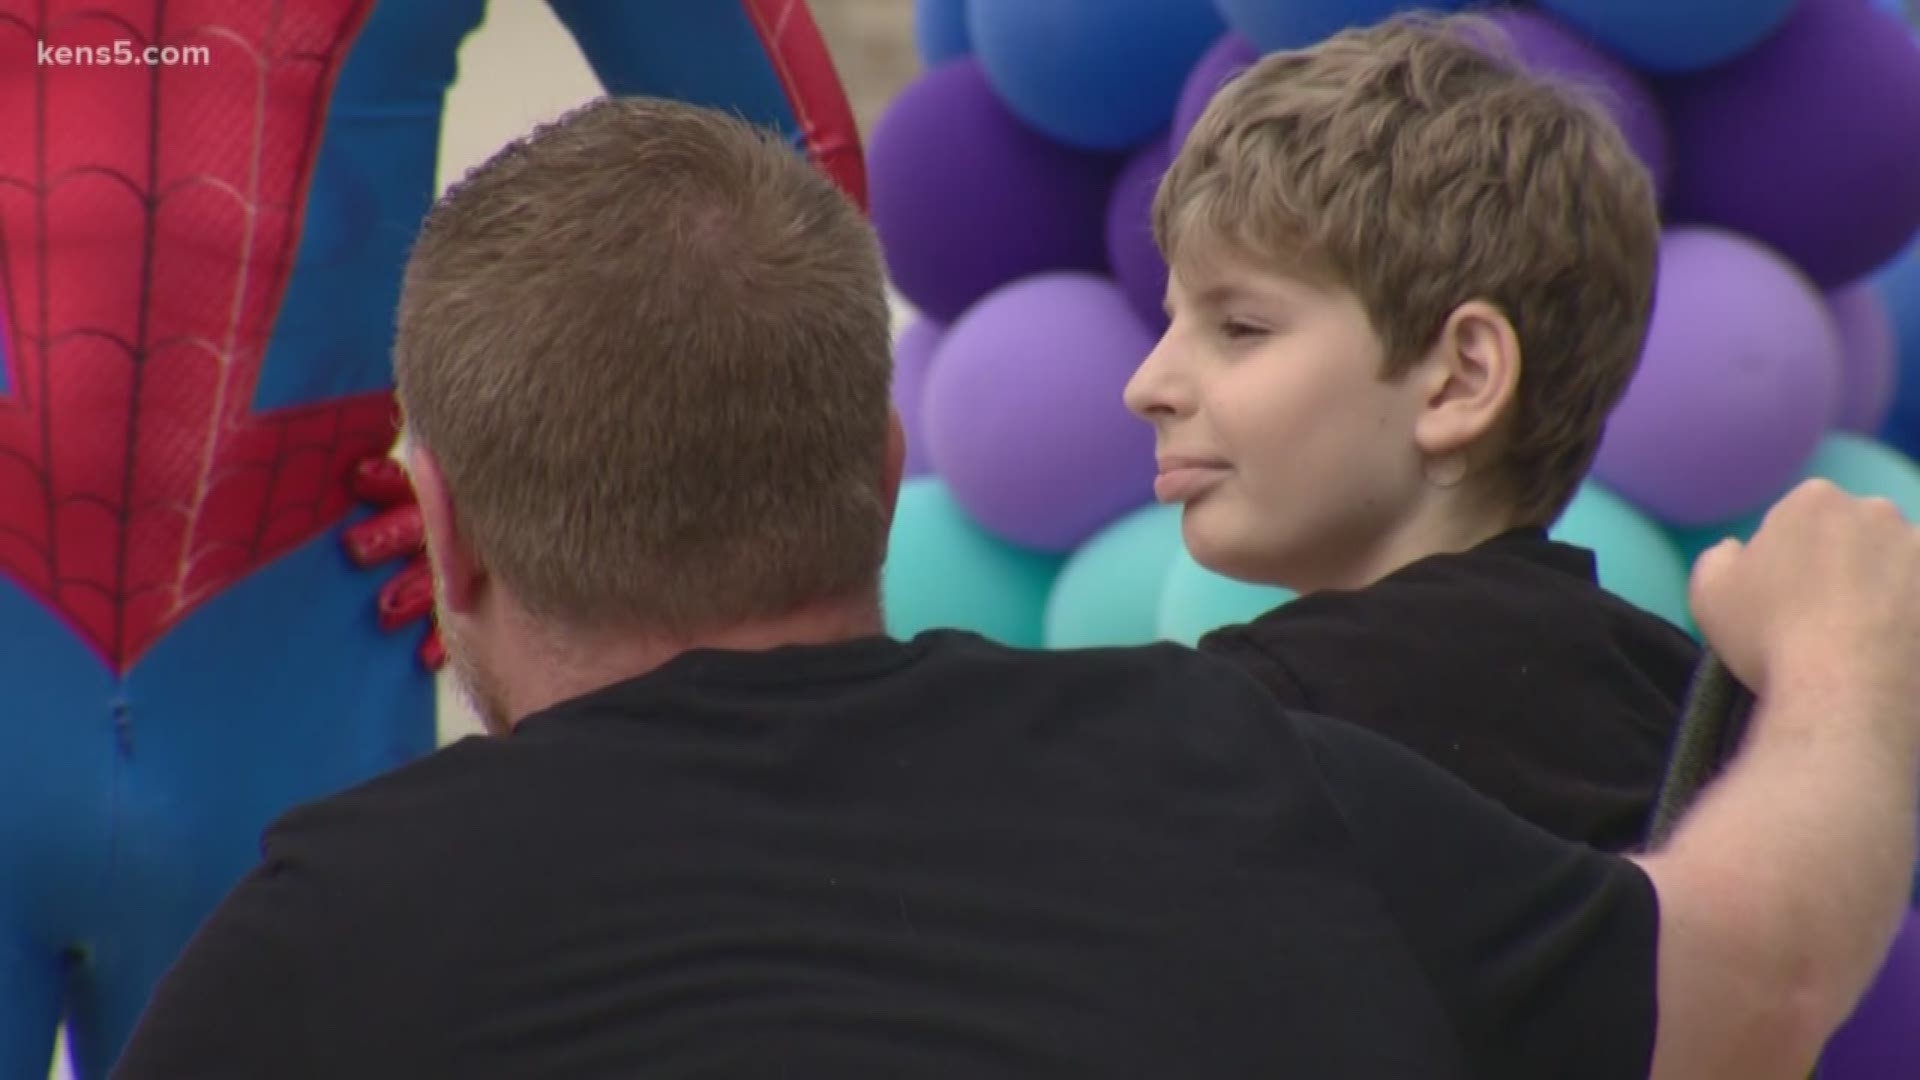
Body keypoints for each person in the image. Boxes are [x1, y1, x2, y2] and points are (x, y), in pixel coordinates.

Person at [115, 95, 1920, 1080]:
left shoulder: (323, 937)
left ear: (453, 543)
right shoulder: (1234, 780)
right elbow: (1750, 982)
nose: (1150, 382)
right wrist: (1847, 658)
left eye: (1234, 325)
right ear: (882, 470)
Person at [1125, 15, 1699, 850]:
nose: (1146, 386)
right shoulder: (1693, 710)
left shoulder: (1262, 731)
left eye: (1241, 327)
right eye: (1171, 323)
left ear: (1462, 379)